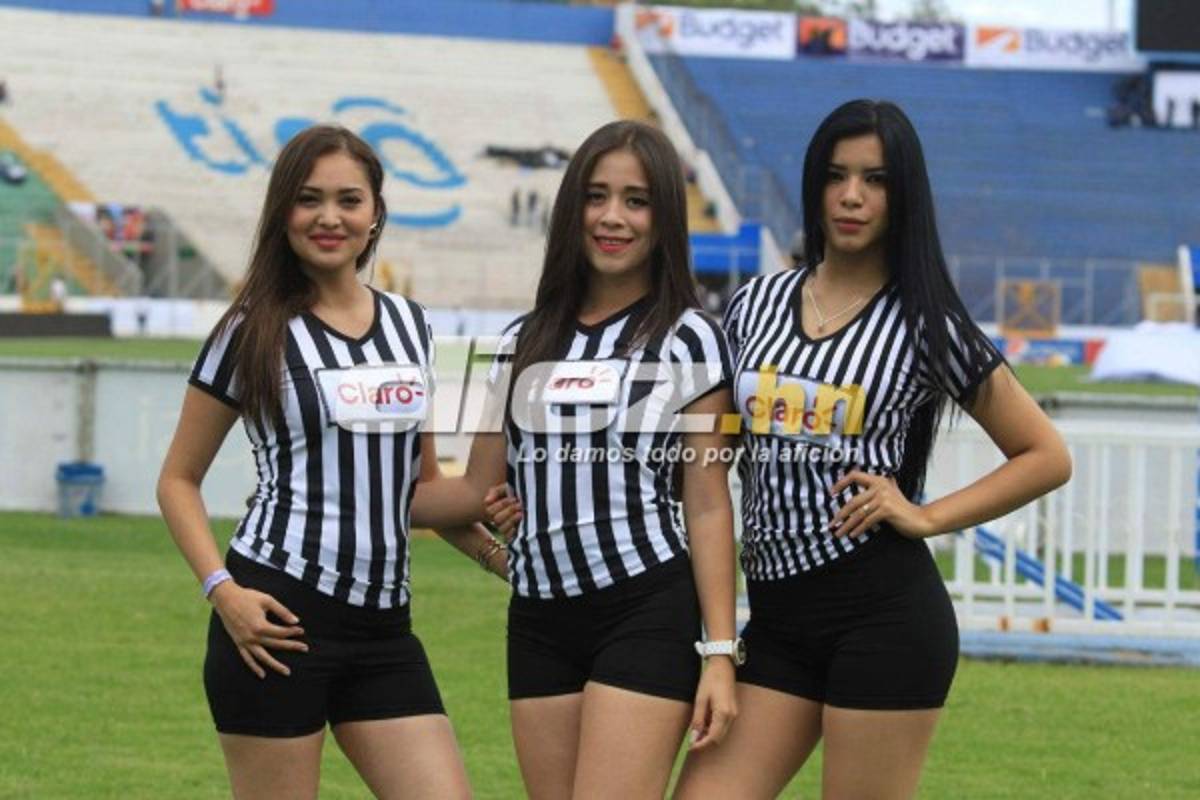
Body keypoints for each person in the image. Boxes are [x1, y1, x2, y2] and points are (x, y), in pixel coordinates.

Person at [675, 99, 1072, 799]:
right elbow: (709, 463)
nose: (852, 196)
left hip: (883, 618)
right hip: (776, 621)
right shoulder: (753, 305)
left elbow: (1045, 454)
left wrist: (925, 515)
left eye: (875, 180)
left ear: (903, 194)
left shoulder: (927, 324)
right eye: (836, 176)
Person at [157, 125, 500, 799]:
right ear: (282, 211)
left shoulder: (410, 325)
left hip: (386, 631)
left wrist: (501, 555)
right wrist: (223, 592)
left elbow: (417, 493)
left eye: (349, 200)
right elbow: (177, 480)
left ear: (375, 214)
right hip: (275, 622)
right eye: (309, 199)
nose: (329, 217)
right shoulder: (250, 330)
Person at [412, 119, 741, 799]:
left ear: (664, 219)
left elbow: (708, 503)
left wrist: (719, 652)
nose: (612, 217)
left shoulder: (692, 339)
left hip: (646, 606)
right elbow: (473, 494)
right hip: (539, 622)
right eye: (596, 196)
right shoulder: (520, 342)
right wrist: (332, 497)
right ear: (571, 209)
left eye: (636, 201)